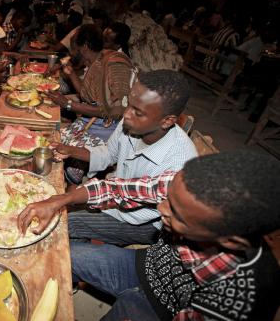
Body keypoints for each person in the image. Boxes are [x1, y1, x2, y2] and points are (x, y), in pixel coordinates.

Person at [19, 151, 280, 320]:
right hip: (141, 265)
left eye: (177, 214)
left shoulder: (242, 299)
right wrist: (59, 200)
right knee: (61, 257)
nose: (161, 209)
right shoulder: (190, 190)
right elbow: (119, 190)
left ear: (230, 240)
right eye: (168, 199)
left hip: (164, 310)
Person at [50, 69, 197, 244]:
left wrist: (96, 201)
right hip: (112, 195)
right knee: (64, 213)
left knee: (63, 224)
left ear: (166, 121)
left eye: (138, 112)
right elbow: (109, 154)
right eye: (129, 104)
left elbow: (139, 212)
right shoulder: (133, 122)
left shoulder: (178, 163)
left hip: (140, 222)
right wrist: (71, 150)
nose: (126, 114)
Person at [48, 24, 135, 184]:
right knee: (53, 141)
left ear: (85, 47)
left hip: (110, 129)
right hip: (93, 123)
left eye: (75, 48)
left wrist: (69, 105)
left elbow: (116, 112)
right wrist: (72, 74)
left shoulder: (115, 65)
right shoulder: (97, 61)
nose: (73, 53)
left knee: (66, 154)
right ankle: (64, 181)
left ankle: (72, 187)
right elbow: (87, 97)